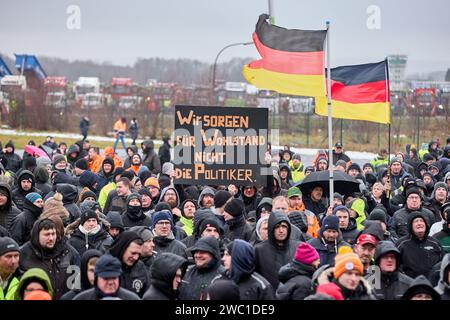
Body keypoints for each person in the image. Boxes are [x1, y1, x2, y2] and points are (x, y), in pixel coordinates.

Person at [20, 217, 80, 299]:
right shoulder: (24, 254)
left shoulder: (69, 252)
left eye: (53, 234)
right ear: (37, 235)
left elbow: (77, 284)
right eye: (47, 234)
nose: (51, 238)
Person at [254, 211, 302, 290]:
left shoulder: (298, 247)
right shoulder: (258, 250)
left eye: (284, 226)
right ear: (271, 228)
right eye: (277, 227)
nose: (281, 230)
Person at [396, 212, 444, 278]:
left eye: (421, 221)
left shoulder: (435, 243)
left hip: (432, 285)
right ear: (410, 226)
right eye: (415, 221)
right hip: (409, 285)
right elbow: (396, 266)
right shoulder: (401, 244)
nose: (419, 223)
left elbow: (442, 264)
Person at [73, 254, 140, 300]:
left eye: (114, 278)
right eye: (106, 278)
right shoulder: (82, 298)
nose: (110, 282)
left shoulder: (132, 298)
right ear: (97, 279)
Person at [108, 230, 150, 297]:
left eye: (138, 254)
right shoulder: (106, 266)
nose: (136, 258)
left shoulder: (140, 266)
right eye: (133, 253)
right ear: (122, 248)